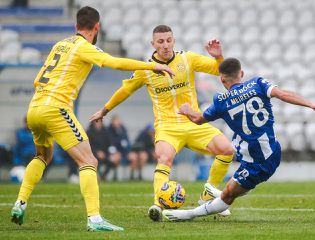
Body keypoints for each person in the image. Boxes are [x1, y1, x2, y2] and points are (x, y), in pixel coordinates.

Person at [10, 6, 174, 232]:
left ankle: (20, 203)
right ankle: (94, 218)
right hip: (56, 108)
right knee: (89, 161)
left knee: (43, 156)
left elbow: (39, 78)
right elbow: (114, 63)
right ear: (97, 27)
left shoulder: (60, 44)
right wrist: (152, 65)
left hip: (35, 108)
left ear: (76, 26)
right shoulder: (84, 47)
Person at [90, 25, 234, 221]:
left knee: (227, 150)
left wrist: (218, 56)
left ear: (173, 41)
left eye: (168, 40)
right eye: (160, 41)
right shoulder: (146, 69)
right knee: (164, 158)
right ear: (153, 44)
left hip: (194, 123)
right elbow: (125, 90)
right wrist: (104, 110)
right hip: (167, 127)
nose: (165, 45)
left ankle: (208, 196)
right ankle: (158, 204)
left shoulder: (187, 59)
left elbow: (220, 70)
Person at [162, 58, 315, 221]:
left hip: (258, 160)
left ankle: (188, 214)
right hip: (272, 149)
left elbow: (198, 120)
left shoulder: (221, 101)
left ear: (222, 79)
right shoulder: (258, 83)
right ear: (241, 73)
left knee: (228, 196)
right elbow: (282, 94)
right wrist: (310, 104)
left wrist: (187, 110)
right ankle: (215, 191)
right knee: (239, 187)